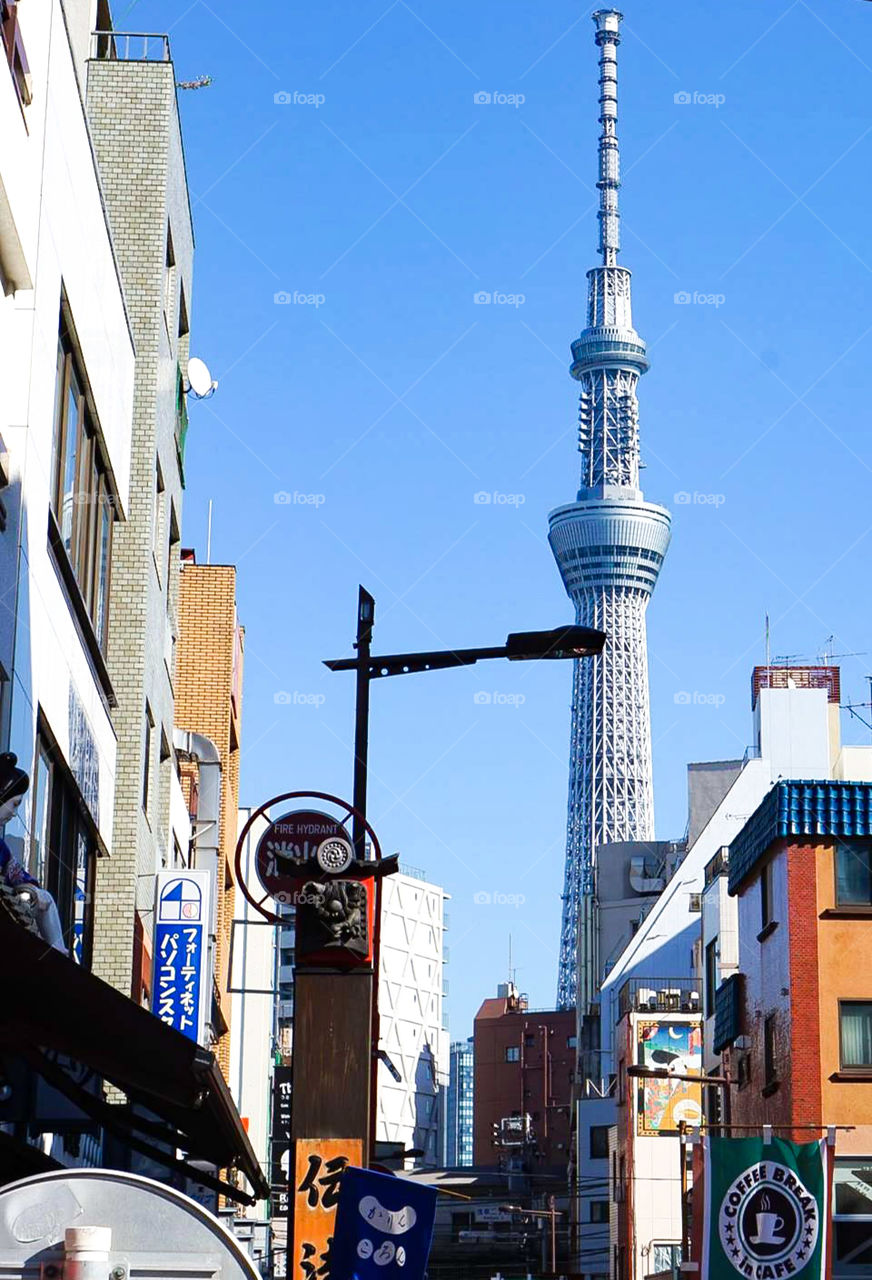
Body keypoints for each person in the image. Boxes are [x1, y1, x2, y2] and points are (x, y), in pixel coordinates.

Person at [0, 752, 66, 952]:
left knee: (44, 897)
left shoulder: (2, 848)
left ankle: (58, 953)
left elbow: (21, 878)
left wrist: (33, 891)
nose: (14, 812)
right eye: (14, 803)